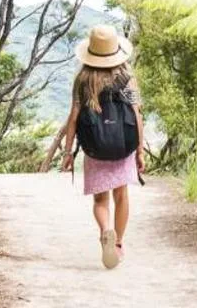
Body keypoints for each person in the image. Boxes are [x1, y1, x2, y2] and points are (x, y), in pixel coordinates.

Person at [44, 24, 146, 269]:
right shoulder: (126, 77)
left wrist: (68, 153)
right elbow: (137, 114)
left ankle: (105, 230)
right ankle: (117, 244)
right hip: (122, 146)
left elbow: (73, 117)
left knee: (101, 200)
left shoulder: (83, 80)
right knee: (121, 195)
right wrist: (140, 150)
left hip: (95, 148)